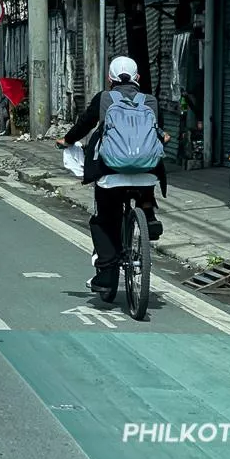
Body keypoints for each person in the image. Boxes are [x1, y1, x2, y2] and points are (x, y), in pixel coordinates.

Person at [56, 56, 168, 293]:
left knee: (104, 220)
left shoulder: (104, 98)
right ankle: (148, 215)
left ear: (110, 79)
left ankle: (107, 274)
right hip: (146, 172)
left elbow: (84, 125)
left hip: (110, 174)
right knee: (146, 184)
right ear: (138, 78)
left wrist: (66, 141)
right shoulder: (150, 100)